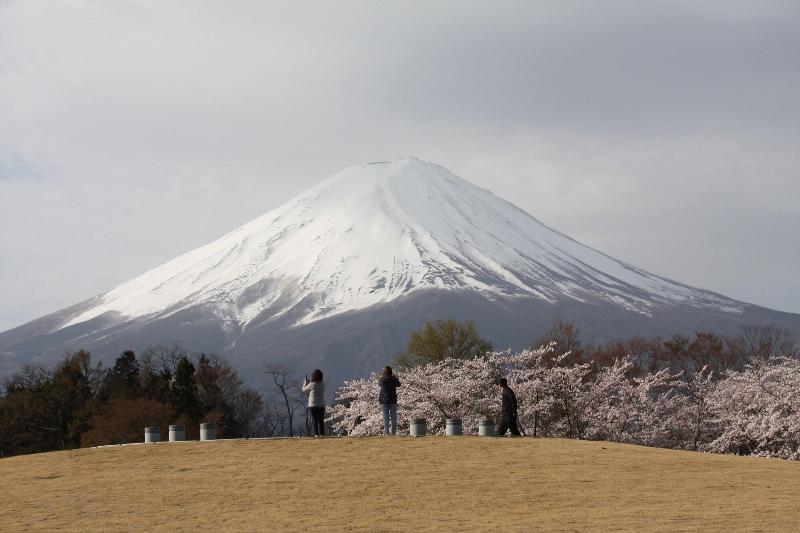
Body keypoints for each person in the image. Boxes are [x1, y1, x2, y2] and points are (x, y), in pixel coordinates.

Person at [302, 369, 325, 437]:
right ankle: (322, 434)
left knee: (315, 420)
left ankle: (316, 434)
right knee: (321, 420)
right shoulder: (322, 384)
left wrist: (305, 383)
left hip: (313, 405)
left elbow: (303, 390)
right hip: (321, 405)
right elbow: (316, 388)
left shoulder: (311, 384)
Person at [379, 366, 401, 435]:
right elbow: (399, 384)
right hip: (393, 400)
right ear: (391, 372)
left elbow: (379, 384)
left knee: (386, 418)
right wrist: (396, 378)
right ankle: (393, 432)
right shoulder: (393, 379)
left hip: (384, 401)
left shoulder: (382, 379)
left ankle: (386, 432)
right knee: (394, 417)